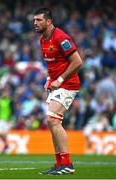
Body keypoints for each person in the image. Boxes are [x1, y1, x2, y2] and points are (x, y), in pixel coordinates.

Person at [33, 8, 83, 175]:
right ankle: (59, 163)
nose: (35, 23)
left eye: (39, 20)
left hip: (68, 84)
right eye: (34, 20)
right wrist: (49, 79)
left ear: (49, 22)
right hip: (57, 84)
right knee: (51, 122)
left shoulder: (61, 38)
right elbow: (53, 64)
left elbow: (77, 61)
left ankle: (67, 164)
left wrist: (59, 80)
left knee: (53, 120)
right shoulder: (43, 40)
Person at [0, 88, 14, 153]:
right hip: (0, 119)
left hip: (7, 119)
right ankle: (6, 145)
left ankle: (5, 147)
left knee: (5, 134)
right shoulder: (0, 100)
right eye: (5, 92)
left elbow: (13, 110)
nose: (6, 94)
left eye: (7, 92)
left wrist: (11, 119)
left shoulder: (10, 101)